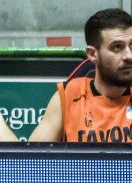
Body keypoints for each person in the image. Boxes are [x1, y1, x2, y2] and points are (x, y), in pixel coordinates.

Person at [29, 8, 132, 142]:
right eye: (117, 47)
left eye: (131, 46)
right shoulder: (68, 96)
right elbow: (31, 157)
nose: (129, 56)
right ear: (92, 54)